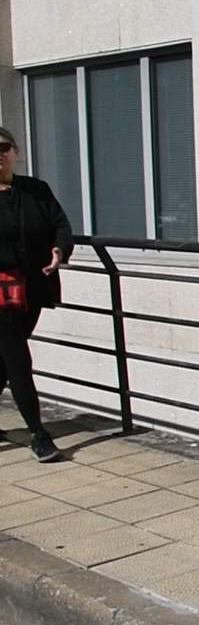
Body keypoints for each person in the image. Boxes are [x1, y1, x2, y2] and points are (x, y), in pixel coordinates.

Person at [0, 125, 73, 462]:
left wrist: (60, 251)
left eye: (3, 147)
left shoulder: (35, 189)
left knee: (4, 359)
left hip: (34, 287)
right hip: (2, 290)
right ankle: (38, 434)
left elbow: (60, 224)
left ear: (15, 152)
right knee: (17, 357)